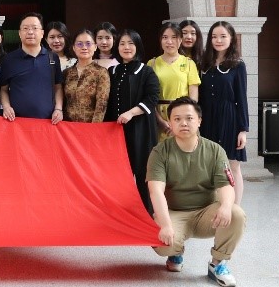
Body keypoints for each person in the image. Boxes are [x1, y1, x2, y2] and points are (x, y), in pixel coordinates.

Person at [147, 97, 247, 287]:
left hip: (206, 213)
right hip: (174, 213)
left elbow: (225, 186)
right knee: (163, 244)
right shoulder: (160, 152)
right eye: (177, 119)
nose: (183, 123)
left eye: (189, 118)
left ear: (199, 121)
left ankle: (218, 264)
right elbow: (156, 191)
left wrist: (226, 206)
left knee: (236, 214)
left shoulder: (215, 150)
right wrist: (166, 225)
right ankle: (175, 253)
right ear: (169, 123)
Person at [105, 29, 159, 214]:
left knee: (143, 171)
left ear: (138, 46)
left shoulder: (146, 71)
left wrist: (131, 113)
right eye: (122, 43)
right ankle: (122, 213)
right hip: (116, 132)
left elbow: (152, 98)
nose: (126, 47)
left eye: (131, 43)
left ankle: (147, 214)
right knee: (119, 173)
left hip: (141, 129)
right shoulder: (112, 71)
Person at [199, 21, 248, 205]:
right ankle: (214, 207)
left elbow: (242, 98)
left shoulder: (238, 65)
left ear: (231, 38)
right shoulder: (203, 64)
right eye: (214, 36)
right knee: (209, 165)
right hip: (207, 118)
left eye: (223, 36)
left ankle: (235, 209)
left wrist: (243, 129)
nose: (218, 40)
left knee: (233, 166)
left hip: (229, 118)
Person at [0, 12, 64, 123]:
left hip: (48, 122)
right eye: (25, 28)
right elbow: (3, 90)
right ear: (19, 33)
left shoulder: (53, 58)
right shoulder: (9, 59)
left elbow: (58, 87)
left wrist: (58, 109)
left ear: (42, 33)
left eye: (34, 28)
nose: (30, 32)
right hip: (16, 123)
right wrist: (6, 107)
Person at [148, 22, 200, 141]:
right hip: (158, 116)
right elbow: (148, 96)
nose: (169, 41)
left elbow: (193, 98)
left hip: (183, 115)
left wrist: (181, 119)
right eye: (165, 37)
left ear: (180, 40)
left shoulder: (189, 63)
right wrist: (160, 120)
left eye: (174, 37)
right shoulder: (152, 64)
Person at [62, 29, 110, 122]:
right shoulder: (67, 73)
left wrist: (93, 128)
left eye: (88, 44)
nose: (84, 47)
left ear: (95, 47)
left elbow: (101, 105)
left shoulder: (101, 72)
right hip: (67, 127)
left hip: (90, 126)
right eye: (79, 44)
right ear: (74, 47)